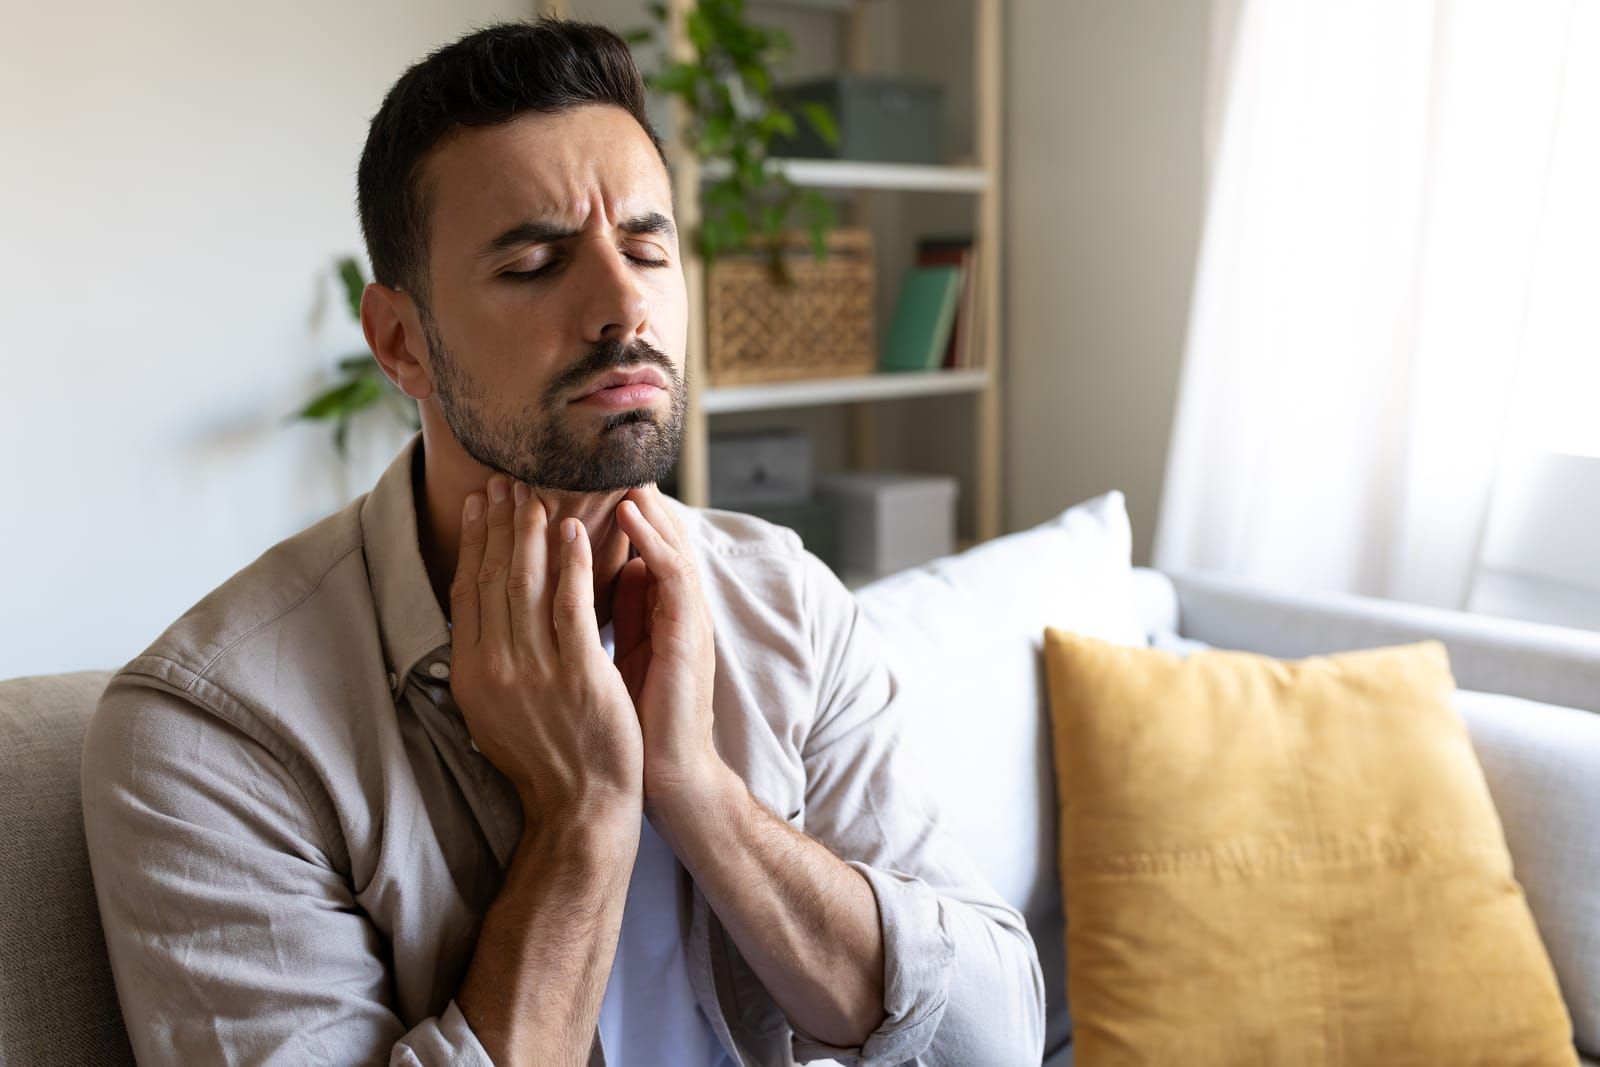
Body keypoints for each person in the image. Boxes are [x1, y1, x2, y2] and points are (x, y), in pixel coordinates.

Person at [80, 18, 1044, 1066]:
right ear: (402, 342)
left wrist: (695, 788)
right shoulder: (214, 736)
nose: (623, 302)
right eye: (537, 261)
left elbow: (993, 1040)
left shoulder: (786, 601)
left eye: (646, 246)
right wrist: (583, 814)